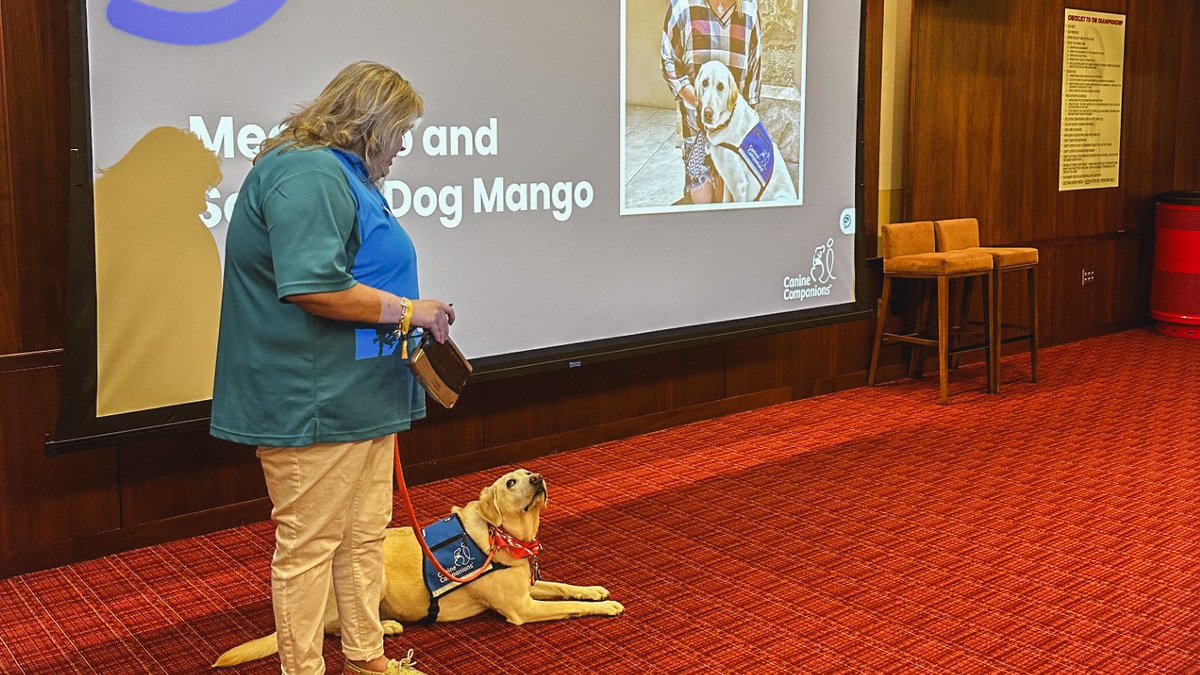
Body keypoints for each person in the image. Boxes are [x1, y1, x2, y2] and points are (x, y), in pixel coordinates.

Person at [211, 61, 453, 675]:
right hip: (313, 400)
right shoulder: (308, 170)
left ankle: (368, 661)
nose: (404, 146)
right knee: (311, 547)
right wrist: (410, 309)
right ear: (374, 125)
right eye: (402, 131)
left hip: (361, 394)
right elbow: (312, 287)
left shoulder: (342, 174)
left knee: (364, 537)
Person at [660, 0, 762, 204]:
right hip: (696, 131)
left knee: (729, 203)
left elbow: (753, 72)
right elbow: (668, 60)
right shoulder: (682, 7)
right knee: (702, 202)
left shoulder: (750, 11)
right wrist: (699, 102)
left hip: (732, 139)